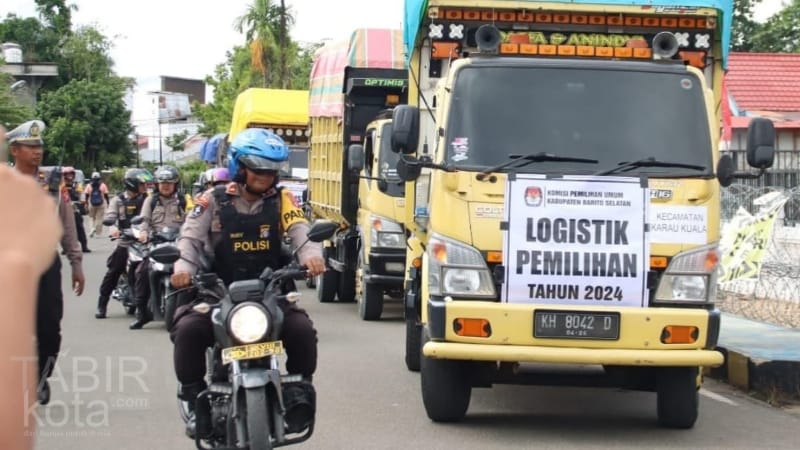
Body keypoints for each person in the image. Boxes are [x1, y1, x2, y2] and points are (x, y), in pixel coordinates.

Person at [169, 128, 325, 437]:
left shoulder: (282, 199)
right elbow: (190, 239)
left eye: (271, 169)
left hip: (269, 291)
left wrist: (312, 255)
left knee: (302, 331)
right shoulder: (212, 200)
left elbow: (300, 230)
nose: (265, 175)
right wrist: (183, 266)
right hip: (217, 292)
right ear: (239, 166)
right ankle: (193, 397)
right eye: (258, 168)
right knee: (188, 330)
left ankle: (298, 392)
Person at [6, 120, 86, 407]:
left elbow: (67, 223)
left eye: (39, 146)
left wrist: (76, 263)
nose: (37, 151)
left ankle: (41, 377)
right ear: (15, 150)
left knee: (49, 328)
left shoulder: (52, 182)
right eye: (30, 146)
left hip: (45, 261)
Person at [130, 165, 187, 329]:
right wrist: (143, 233)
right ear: (157, 184)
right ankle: (142, 313)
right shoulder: (151, 200)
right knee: (141, 271)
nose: (166, 185)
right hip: (156, 244)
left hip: (178, 243)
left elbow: (192, 220)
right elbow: (145, 220)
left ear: (176, 184)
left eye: (169, 182)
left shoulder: (184, 200)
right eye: (162, 183)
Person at [95, 168, 150, 319]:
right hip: (126, 240)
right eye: (141, 183)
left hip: (144, 239)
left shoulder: (148, 199)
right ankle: (102, 303)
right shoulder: (118, 200)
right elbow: (111, 216)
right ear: (132, 184)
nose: (145, 186)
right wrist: (113, 229)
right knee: (115, 269)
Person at [62, 166, 91, 252]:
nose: (69, 176)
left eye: (71, 174)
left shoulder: (77, 185)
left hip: (75, 209)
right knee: (64, 229)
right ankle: (65, 247)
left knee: (80, 227)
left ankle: (84, 246)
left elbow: (81, 194)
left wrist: (82, 201)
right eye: (67, 174)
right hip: (64, 210)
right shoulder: (60, 186)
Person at [84, 171, 109, 237]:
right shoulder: (103, 185)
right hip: (101, 203)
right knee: (99, 218)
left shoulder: (89, 185)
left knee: (91, 217)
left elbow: (86, 195)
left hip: (91, 203)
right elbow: (106, 195)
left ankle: (92, 228)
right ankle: (98, 232)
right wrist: (108, 202)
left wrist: (86, 203)